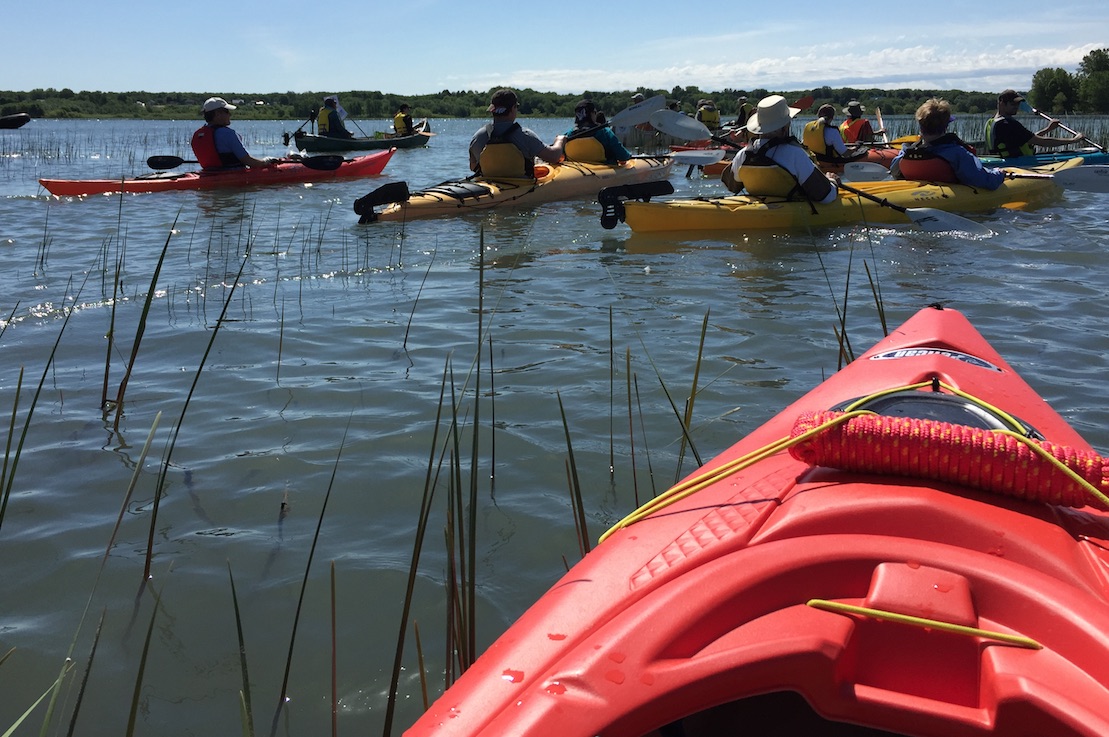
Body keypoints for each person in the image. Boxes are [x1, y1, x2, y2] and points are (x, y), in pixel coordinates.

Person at [723, 94, 838, 204]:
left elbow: (732, 187)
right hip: (792, 213)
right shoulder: (796, 155)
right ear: (785, 127)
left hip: (758, 209)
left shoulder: (743, 155)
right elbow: (826, 196)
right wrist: (832, 181)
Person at [890, 98, 1004, 190]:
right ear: (946, 126)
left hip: (916, 192)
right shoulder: (956, 153)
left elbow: (894, 171)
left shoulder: (907, 152)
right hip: (947, 196)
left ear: (920, 125)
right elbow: (981, 179)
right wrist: (998, 174)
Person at [468, 89, 565, 178]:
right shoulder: (525, 135)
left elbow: (473, 167)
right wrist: (560, 141)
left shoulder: (477, 136)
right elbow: (553, 157)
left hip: (489, 185)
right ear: (513, 108)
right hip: (521, 186)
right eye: (516, 107)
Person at [984, 89, 1086, 159]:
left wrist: (1048, 129)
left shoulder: (992, 122)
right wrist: (1074, 140)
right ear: (1001, 103)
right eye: (1012, 104)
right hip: (1018, 164)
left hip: (1005, 162)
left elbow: (1025, 139)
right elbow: (1041, 142)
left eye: (1017, 104)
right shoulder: (1008, 123)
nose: (1016, 107)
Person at [191, 97, 276, 170]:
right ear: (218, 114)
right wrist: (266, 161)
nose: (230, 115)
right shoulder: (228, 134)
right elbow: (249, 162)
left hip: (209, 174)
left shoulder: (197, 134)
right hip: (231, 174)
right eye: (227, 112)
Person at [563, 99, 634, 164]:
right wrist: (629, 155)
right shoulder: (604, 132)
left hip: (577, 172)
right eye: (595, 112)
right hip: (605, 172)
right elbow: (623, 156)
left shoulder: (569, 135)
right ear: (591, 114)